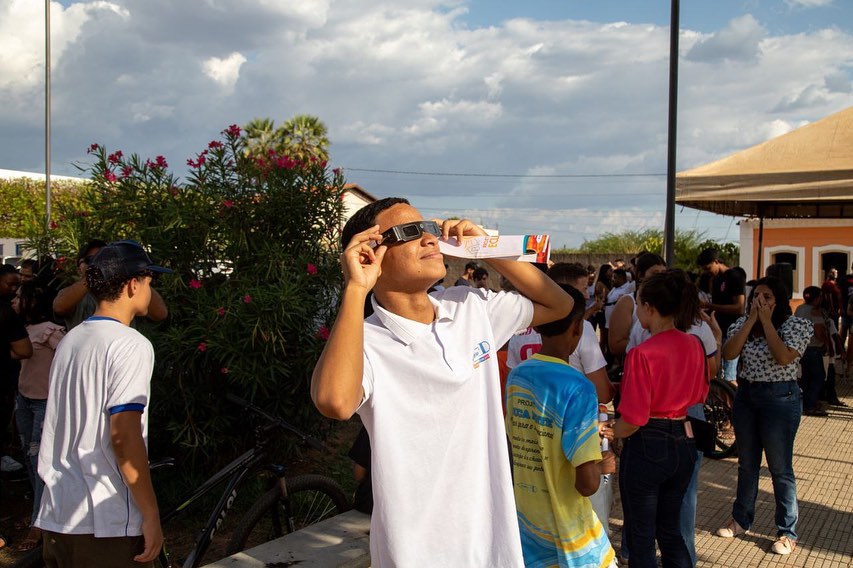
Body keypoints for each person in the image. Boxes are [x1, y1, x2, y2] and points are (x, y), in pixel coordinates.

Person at [310, 198, 573, 567]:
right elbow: (334, 402)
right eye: (410, 232)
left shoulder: (470, 307)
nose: (430, 239)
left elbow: (559, 305)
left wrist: (486, 248)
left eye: (430, 228)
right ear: (370, 254)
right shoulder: (363, 341)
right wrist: (356, 289)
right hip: (415, 552)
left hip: (493, 546)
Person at [35, 241, 172, 567]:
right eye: (150, 282)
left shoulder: (71, 340)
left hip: (59, 515)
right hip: (104, 520)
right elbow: (124, 434)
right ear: (133, 284)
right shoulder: (131, 345)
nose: (150, 290)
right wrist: (150, 514)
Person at [505, 285, 617, 568]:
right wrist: (602, 465)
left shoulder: (517, 377)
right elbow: (587, 483)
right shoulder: (579, 387)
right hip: (570, 533)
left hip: (527, 524)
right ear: (578, 329)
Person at [622, 268, 723, 566]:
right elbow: (699, 394)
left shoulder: (641, 353)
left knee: (641, 537)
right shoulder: (694, 343)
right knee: (671, 531)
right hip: (684, 440)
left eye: (639, 304)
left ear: (650, 308)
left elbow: (633, 419)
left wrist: (610, 431)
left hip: (648, 444)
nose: (637, 310)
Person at [715, 276, 813, 556]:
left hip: (780, 399)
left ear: (779, 300)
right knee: (747, 465)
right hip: (747, 397)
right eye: (756, 295)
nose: (761, 301)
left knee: (780, 469)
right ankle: (740, 519)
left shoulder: (796, 326)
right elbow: (729, 353)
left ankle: (787, 532)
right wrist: (751, 322)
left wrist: (767, 322)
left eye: (767, 296)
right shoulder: (742, 324)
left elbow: (783, 357)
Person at [11, 279, 65, 552]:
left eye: (19, 296)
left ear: (32, 302)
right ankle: (42, 513)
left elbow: (69, 355)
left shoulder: (49, 331)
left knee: (38, 461)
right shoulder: (24, 330)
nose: (14, 300)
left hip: (45, 404)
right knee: (30, 460)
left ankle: (40, 524)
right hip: (25, 400)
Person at [53, 239, 169, 330]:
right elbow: (59, 306)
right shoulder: (73, 295)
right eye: (91, 260)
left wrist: (137, 274)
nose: (98, 262)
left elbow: (160, 313)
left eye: (103, 258)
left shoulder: (126, 289)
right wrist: (96, 274)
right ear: (78, 269)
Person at [697, 248, 746, 382]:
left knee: (729, 375)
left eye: (708, 268)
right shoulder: (716, 279)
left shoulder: (735, 276)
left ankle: (730, 402)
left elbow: (739, 307)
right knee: (718, 374)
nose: (708, 272)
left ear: (716, 262)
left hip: (732, 330)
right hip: (718, 330)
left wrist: (710, 306)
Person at [1, 264, 31, 476]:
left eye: (17, 286)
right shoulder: (6, 313)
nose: (14, 290)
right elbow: (24, 349)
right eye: (10, 284)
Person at [794, 286, 830, 416]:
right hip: (814, 349)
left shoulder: (799, 308)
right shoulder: (815, 311)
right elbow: (819, 331)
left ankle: (804, 404)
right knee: (818, 378)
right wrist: (826, 343)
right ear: (817, 298)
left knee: (806, 378)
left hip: (801, 349)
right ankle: (810, 405)